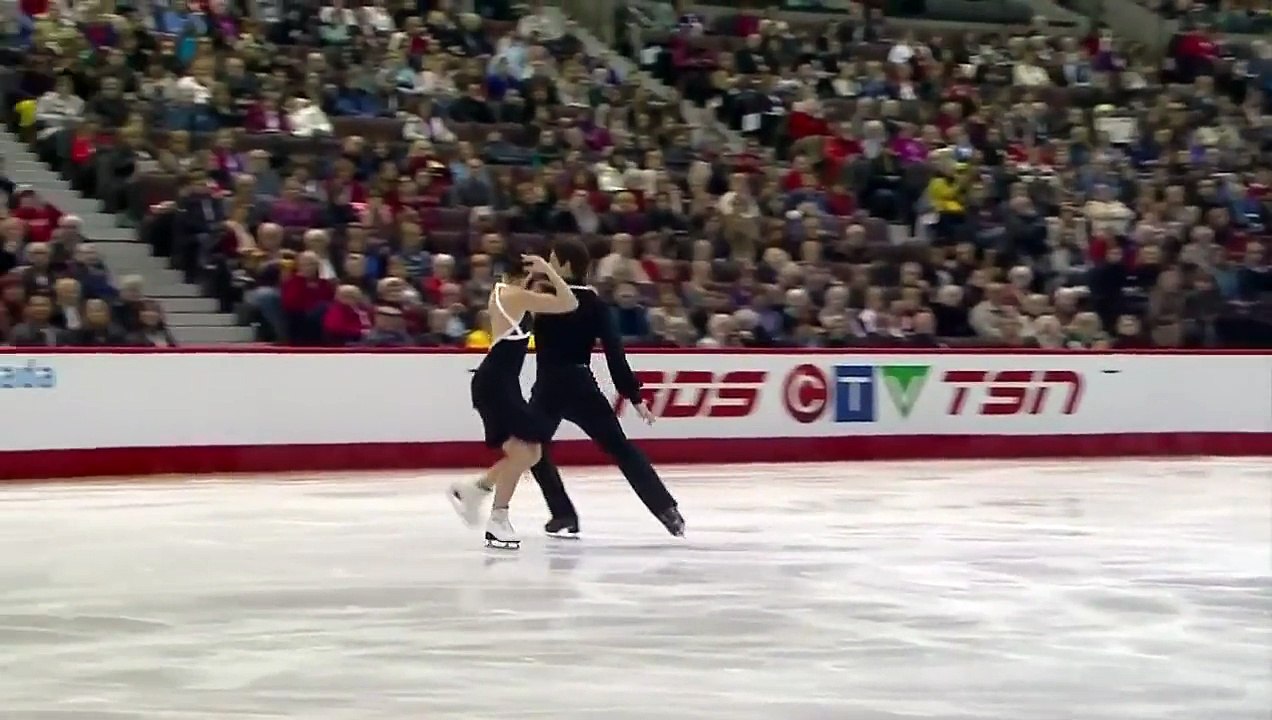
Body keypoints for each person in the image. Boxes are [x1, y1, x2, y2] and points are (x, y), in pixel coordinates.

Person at [528, 238, 686, 538]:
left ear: (565, 265)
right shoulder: (597, 305)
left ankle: (563, 512)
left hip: (550, 386)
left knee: (529, 448)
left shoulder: (546, 300)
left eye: (552, 259)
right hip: (580, 384)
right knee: (621, 449)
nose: (548, 264)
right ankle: (666, 509)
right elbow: (615, 353)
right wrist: (634, 395)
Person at [448, 252, 578, 549]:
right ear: (526, 275)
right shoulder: (513, 296)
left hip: (502, 384)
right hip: (495, 385)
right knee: (523, 453)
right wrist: (549, 271)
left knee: (532, 452)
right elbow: (569, 303)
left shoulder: (508, 294)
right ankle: (497, 518)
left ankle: (476, 490)